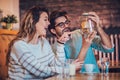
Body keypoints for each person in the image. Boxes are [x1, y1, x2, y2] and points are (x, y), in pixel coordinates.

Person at [7, 6, 81, 79]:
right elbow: (40, 71)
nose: (48, 23)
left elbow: (57, 65)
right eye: (45, 20)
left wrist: (60, 44)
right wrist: (70, 69)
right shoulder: (19, 45)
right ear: (34, 21)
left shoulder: (43, 41)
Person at [48, 10, 114, 73]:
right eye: (61, 25)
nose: (66, 26)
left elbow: (109, 48)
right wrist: (85, 46)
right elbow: (71, 70)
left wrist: (98, 28)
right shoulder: (54, 49)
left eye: (66, 22)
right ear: (53, 30)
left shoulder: (80, 33)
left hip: (95, 77)